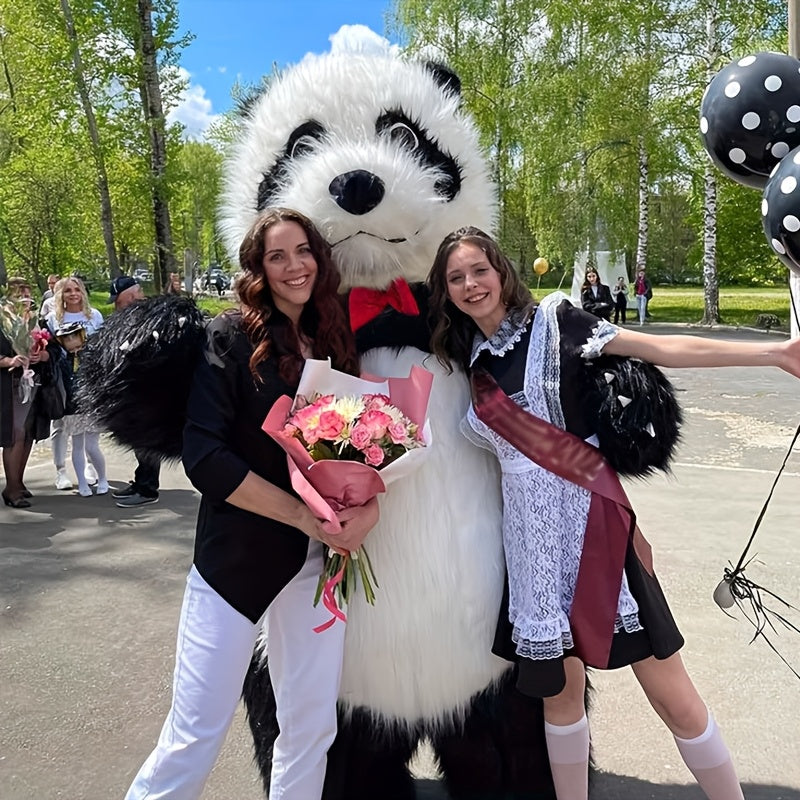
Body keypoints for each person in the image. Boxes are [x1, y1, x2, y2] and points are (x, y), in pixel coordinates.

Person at [427, 226, 800, 800]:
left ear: (502, 270)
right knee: (561, 696)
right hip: (532, 554)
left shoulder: (556, 322)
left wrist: (774, 353)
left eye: (480, 269)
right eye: (456, 277)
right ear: (445, 291)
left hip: (595, 534)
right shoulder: (468, 357)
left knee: (671, 694)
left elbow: (659, 348)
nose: (471, 284)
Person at [124, 207, 379, 800]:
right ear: (258, 269)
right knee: (195, 734)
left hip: (319, 566)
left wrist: (367, 513)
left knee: (312, 727)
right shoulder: (229, 337)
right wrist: (299, 514)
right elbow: (204, 458)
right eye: (277, 256)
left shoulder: (337, 339)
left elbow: (364, 455)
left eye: (303, 251)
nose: (295, 266)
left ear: (321, 256)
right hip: (233, 562)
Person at [45, 277, 109, 497]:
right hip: (63, 380)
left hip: (89, 379)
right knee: (62, 427)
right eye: (68, 291)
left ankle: (94, 469)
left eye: (77, 290)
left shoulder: (95, 316)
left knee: (90, 433)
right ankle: (61, 470)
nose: (73, 294)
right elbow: (51, 350)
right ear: (60, 295)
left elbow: (102, 347)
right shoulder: (53, 319)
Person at [106, 275, 162, 508]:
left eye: (116, 299)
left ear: (127, 295)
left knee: (147, 440)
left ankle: (148, 489)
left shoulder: (147, 318)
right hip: (130, 388)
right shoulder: (129, 317)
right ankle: (141, 482)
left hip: (147, 388)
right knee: (139, 442)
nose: (115, 304)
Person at [0, 278, 53, 508]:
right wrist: (9, 360)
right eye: (19, 293)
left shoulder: (33, 321)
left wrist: (41, 355)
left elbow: (52, 352)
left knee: (28, 433)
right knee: (15, 434)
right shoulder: (2, 322)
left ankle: (18, 482)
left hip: (31, 383)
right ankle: (11, 490)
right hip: (7, 385)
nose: (24, 298)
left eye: (27, 293)